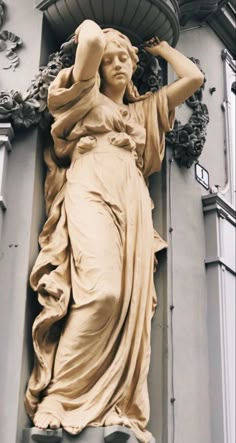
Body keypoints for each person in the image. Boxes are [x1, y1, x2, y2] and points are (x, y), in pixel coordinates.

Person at [25, 19, 204, 443]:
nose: (118, 64)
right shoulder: (85, 94)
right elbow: (88, 41)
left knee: (131, 305)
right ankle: (58, 398)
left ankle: (116, 405)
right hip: (90, 183)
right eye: (110, 60)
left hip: (133, 196)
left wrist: (159, 50)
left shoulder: (143, 110)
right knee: (101, 292)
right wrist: (94, 30)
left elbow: (194, 77)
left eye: (124, 57)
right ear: (99, 68)